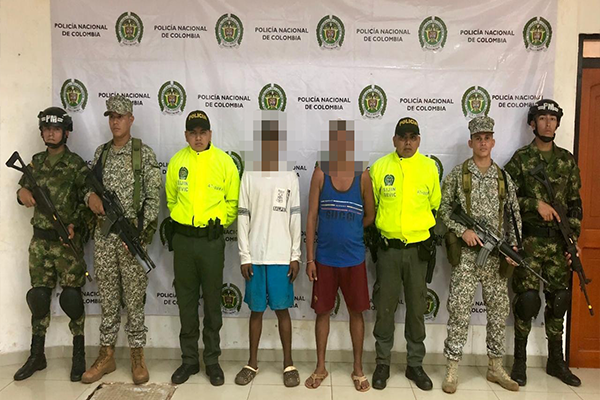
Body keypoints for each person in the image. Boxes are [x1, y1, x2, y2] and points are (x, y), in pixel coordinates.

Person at [82, 95, 162, 385]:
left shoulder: (143, 154)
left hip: (130, 239)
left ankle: (137, 356)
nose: (115, 122)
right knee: (107, 298)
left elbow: (153, 198)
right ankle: (106, 355)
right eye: (111, 117)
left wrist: (138, 233)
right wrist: (89, 198)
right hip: (104, 238)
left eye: (120, 116)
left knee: (134, 299)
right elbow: (87, 186)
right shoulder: (101, 153)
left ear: (131, 119)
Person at [438, 115, 520, 393]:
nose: (483, 143)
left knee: (498, 312)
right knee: (459, 311)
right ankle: (452, 368)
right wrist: (462, 231)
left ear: (493, 142)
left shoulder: (503, 178)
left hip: (495, 257)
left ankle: (495, 367)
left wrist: (514, 249)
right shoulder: (459, 175)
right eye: (478, 138)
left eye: (487, 138)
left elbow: (513, 217)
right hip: (466, 257)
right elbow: (443, 210)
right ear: (470, 142)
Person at [505, 99, 582, 387]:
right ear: (532, 123)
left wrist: (573, 240)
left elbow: (575, 204)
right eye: (542, 118)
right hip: (529, 241)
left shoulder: (566, 160)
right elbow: (506, 196)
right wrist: (534, 203)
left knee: (559, 300)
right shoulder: (521, 159)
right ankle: (520, 361)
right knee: (526, 301)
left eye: (552, 119)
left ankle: (556, 361)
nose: (548, 124)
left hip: (559, 243)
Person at [13, 107, 93, 382]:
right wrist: (22, 193)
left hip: (66, 243)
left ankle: (78, 355)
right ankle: (37, 354)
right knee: (38, 297)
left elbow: (87, 201)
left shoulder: (76, 164)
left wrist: (74, 226)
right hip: (40, 243)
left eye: (56, 129)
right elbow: (22, 189)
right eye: (47, 129)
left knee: (72, 298)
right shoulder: (35, 163)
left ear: (66, 132)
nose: (51, 133)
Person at [165, 110, 240, 386]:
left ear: (210, 134)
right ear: (186, 135)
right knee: (186, 302)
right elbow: (171, 199)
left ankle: (211, 360)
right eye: (193, 133)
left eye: (203, 132)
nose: (198, 138)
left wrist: (218, 225)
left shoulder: (224, 162)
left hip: (211, 242)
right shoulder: (177, 161)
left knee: (211, 302)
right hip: (183, 241)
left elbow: (232, 202)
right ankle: (188, 360)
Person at [369, 117, 441, 391]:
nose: (407, 143)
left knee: (416, 309)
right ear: (394, 140)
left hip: (417, 252)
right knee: (385, 308)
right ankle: (382, 362)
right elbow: (373, 207)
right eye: (402, 137)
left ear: (419, 140)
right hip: (388, 250)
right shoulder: (380, 167)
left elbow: (434, 206)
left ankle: (415, 364)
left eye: (412, 137)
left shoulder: (429, 168)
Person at [304, 120, 375, 392]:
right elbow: (312, 217)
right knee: (322, 313)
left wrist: (351, 231)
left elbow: (370, 216)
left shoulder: (363, 175)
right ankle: (320, 367)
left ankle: (358, 369)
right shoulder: (321, 173)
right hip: (324, 260)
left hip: (354, 259)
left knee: (356, 313)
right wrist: (310, 258)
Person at [234, 115, 301, 387]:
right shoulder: (249, 175)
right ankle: (252, 363)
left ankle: (288, 364)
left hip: (281, 257)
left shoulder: (290, 176)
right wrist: (245, 256)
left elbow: (295, 217)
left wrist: (295, 255)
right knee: (256, 312)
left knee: (283, 311)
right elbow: (242, 217)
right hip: (256, 257)